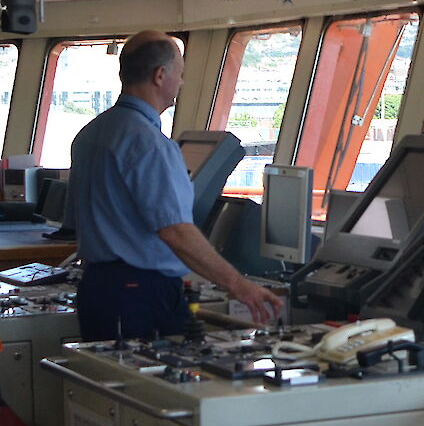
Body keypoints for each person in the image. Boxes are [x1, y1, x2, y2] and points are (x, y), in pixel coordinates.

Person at [67, 30, 284, 340]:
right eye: (180, 75)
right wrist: (240, 285)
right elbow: (176, 231)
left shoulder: (90, 133)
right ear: (160, 75)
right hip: (140, 294)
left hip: (97, 288)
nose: (181, 84)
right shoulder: (150, 145)